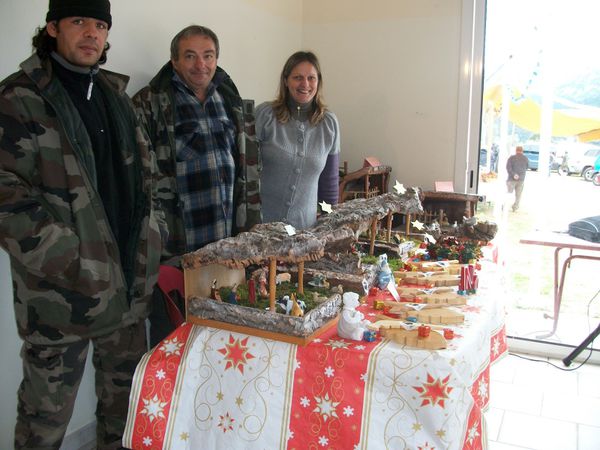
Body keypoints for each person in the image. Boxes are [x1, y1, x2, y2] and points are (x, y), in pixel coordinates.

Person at [0, 0, 165, 448]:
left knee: (123, 413)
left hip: (127, 292)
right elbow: (7, 198)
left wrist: (153, 237)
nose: (91, 33)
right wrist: (75, 259)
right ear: (53, 27)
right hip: (60, 300)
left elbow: (147, 183)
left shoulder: (115, 97)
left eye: (100, 24)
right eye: (78, 22)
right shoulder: (20, 98)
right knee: (42, 426)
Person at [132, 25, 261, 345]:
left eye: (208, 56)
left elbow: (248, 172)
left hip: (225, 252)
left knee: (223, 342)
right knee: (173, 342)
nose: (200, 64)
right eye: (190, 56)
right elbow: (138, 181)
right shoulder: (150, 104)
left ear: (217, 58)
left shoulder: (230, 99)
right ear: (174, 61)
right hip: (176, 252)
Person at [255, 51, 340, 230]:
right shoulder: (264, 115)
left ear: (319, 81)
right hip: (262, 227)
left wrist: (328, 225)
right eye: (297, 77)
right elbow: (246, 174)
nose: (305, 84)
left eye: (311, 78)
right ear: (286, 81)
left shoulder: (329, 124)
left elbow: (329, 183)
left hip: (303, 231)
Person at [506, 145, 529, 212]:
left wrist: (514, 174)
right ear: (522, 151)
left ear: (516, 150)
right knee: (518, 195)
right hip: (521, 179)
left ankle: (505, 206)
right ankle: (515, 207)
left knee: (509, 193)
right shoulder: (525, 158)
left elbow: (508, 168)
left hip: (511, 179)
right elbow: (527, 167)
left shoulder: (511, 158)